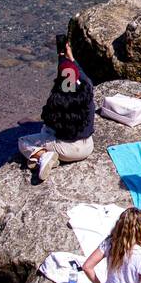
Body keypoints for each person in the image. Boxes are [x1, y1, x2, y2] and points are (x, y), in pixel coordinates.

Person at [17, 34, 95, 181]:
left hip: (68, 151)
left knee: (24, 141)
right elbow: (81, 77)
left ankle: (43, 156)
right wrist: (69, 58)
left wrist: (61, 57)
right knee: (50, 129)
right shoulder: (87, 92)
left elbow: (48, 122)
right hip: (87, 146)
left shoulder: (58, 104)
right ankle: (42, 157)